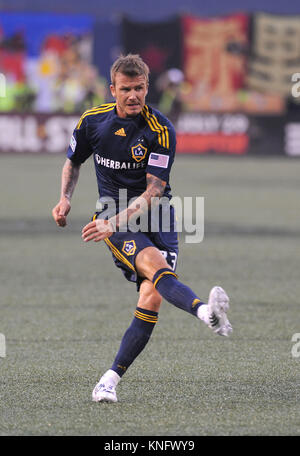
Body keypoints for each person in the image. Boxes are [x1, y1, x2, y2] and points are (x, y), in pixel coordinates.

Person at [52, 54, 232, 403]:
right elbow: (73, 163)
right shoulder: (92, 122)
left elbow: (154, 190)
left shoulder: (160, 130)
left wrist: (113, 223)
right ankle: (205, 312)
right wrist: (65, 199)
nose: (133, 95)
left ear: (147, 87)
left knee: (152, 293)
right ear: (113, 90)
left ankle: (108, 380)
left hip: (156, 215)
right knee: (156, 269)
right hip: (113, 215)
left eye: (139, 88)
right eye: (125, 89)